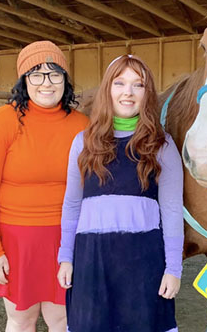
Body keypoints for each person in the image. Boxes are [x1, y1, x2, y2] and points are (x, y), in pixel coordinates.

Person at [57, 54, 184, 332]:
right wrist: (66, 257)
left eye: (138, 85)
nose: (128, 92)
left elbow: (173, 211)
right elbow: (72, 204)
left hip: (143, 263)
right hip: (92, 262)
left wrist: (173, 269)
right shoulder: (83, 143)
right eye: (119, 83)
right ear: (108, 89)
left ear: (147, 94)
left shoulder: (162, 146)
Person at [0, 41, 88, 332]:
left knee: (62, 319)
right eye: (36, 74)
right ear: (23, 80)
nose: (46, 83)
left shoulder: (84, 126)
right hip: (16, 240)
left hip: (66, 238)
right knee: (21, 320)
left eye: (55, 74)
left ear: (65, 79)